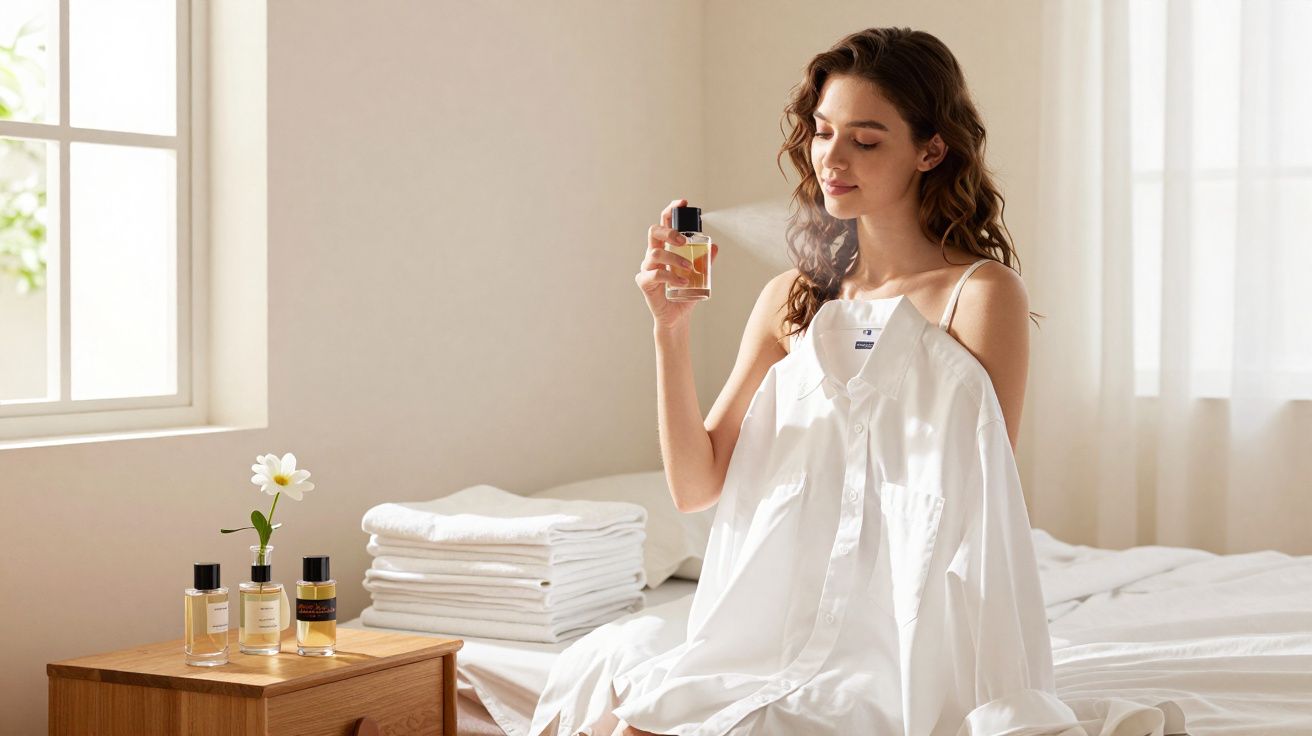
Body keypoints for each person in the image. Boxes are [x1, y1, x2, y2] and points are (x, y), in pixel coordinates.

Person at [627, 27, 1042, 736]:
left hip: (906, 635)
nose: (832, 158)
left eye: (866, 139)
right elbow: (696, 487)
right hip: (776, 626)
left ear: (931, 149)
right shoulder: (793, 299)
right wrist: (670, 331)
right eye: (822, 133)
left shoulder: (979, 294)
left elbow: (984, 495)